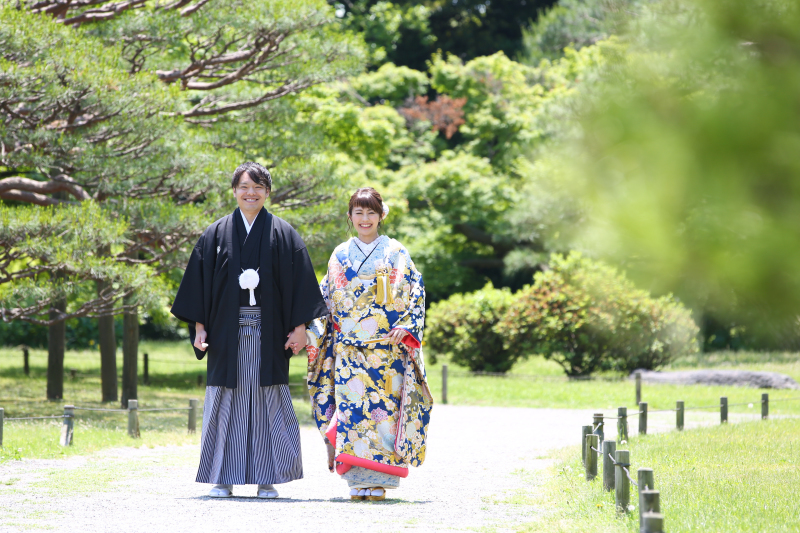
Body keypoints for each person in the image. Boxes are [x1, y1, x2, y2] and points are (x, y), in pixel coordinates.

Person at [171, 161, 328, 499]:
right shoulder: (215, 234)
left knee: (267, 399)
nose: (250, 193)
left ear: (267, 192)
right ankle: (221, 477)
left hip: (269, 333)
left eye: (258, 187)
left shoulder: (283, 234)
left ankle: (267, 477)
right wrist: (199, 327)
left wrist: (300, 327)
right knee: (225, 400)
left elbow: (298, 284)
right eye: (244, 186)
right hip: (226, 332)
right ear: (234, 191)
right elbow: (200, 285)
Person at [305, 187, 433, 501]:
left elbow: (416, 292)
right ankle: (356, 480)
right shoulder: (340, 254)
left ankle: (381, 480)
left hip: (386, 352)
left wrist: (407, 325)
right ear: (350, 216)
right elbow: (325, 300)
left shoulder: (396, 252)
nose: (365, 219)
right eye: (359, 213)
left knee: (383, 417)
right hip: (348, 351)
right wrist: (309, 333)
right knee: (352, 414)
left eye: (371, 212)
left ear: (381, 215)